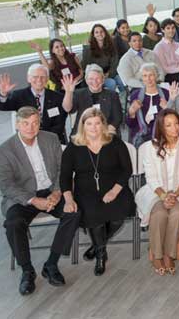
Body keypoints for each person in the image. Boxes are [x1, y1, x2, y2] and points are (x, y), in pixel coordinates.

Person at [0, 107, 81, 295]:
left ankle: (51, 264)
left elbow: (63, 169)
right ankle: (27, 270)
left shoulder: (51, 139)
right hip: (23, 196)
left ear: (39, 123)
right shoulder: (4, 150)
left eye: (35, 123)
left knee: (74, 212)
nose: (31, 127)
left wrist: (57, 192)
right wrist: (33, 200)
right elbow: (6, 185)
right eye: (26, 123)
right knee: (13, 223)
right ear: (18, 125)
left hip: (51, 190)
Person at [60, 108, 135, 276]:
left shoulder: (114, 142)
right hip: (85, 190)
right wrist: (69, 199)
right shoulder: (73, 146)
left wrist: (114, 192)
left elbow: (127, 170)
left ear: (103, 124)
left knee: (118, 217)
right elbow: (64, 176)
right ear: (83, 125)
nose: (94, 127)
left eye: (97, 123)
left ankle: (96, 244)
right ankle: (101, 254)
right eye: (89, 124)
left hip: (114, 186)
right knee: (95, 216)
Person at [135, 109, 179, 276]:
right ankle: (156, 255)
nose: (174, 128)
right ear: (161, 127)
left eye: (176, 123)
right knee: (160, 214)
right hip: (156, 191)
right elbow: (151, 177)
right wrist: (163, 196)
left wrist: (175, 194)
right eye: (168, 125)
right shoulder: (150, 147)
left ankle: (169, 255)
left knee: (178, 214)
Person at [0, 64, 70, 144]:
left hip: (52, 140)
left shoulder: (57, 97)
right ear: (28, 78)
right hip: (28, 140)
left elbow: (60, 122)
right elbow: (3, 106)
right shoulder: (19, 95)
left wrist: (45, 139)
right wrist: (3, 94)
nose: (39, 80)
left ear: (47, 79)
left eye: (43, 77)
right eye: (35, 77)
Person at [62, 64, 122, 135]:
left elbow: (117, 119)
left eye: (98, 78)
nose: (95, 82)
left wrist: (102, 134)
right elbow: (67, 109)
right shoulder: (79, 94)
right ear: (86, 80)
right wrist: (69, 92)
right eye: (91, 79)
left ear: (103, 80)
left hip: (106, 133)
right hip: (83, 134)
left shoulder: (112, 95)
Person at [127, 63, 170, 148]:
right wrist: (131, 113)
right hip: (141, 135)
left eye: (151, 75)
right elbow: (130, 125)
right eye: (145, 76)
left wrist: (167, 108)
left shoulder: (166, 94)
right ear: (141, 78)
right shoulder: (135, 95)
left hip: (161, 133)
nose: (148, 79)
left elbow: (172, 119)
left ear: (157, 76)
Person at [81, 24, 121, 93]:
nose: (99, 34)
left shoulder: (111, 45)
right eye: (96, 32)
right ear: (93, 35)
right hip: (96, 75)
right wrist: (100, 76)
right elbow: (85, 66)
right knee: (111, 83)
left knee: (121, 80)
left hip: (109, 72)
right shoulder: (88, 48)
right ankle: (108, 100)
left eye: (101, 31)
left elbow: (115, 63)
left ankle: (123, 99)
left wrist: (108, 74)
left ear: (105, 33)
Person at [153, 19, 179, 85]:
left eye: (173, 28)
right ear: (163, 30)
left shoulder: (177, 45)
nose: (171, 30)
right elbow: (163, 68)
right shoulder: (159, 47)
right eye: (168, 28)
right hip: (168, 75)